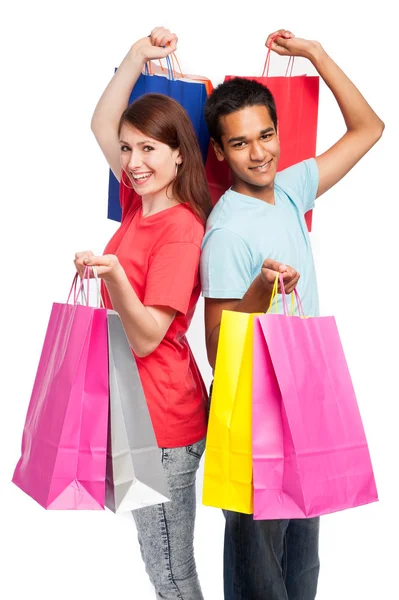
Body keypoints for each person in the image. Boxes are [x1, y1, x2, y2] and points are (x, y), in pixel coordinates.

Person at [201, 28, 384, 600]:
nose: (259, 153)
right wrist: (260, 286)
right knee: (258, 557)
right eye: (240, 143)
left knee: (302, 562)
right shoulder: (226, 231)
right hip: (255, 404)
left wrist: (316, 56)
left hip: (304, 387)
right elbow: (217, 349)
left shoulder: (291, 189)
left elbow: (370, 129)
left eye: (267, 135)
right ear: (218, 152)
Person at [74, 27, 211, 600]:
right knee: (163, 569)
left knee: (172, 575)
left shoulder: (180, 230)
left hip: (164, 425)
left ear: (180, 152)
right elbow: (101, 123)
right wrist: (137, 56)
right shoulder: (139, 202)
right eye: (129, 150)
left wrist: (115, 278)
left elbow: (152, 335)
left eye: (148, 149)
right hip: (140, 414)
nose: (131, 161)